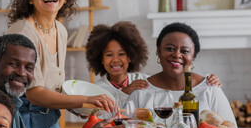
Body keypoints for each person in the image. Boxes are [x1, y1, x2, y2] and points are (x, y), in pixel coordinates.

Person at [5, 0, 113, 128]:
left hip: (49, 119)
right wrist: (84, 99)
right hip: (21, 122)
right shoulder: (22, 32)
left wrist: (80, 107)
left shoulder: (60, 30)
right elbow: (34, 93)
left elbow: (53, 85)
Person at [86, 21, 222, 109]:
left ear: (131, 57)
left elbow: (163, 82)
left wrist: (208, 80)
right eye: (109, 55)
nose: (115, 60)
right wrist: (124, 93)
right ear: (100, 59)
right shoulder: (96, 89)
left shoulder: (143, 82)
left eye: (121, 54)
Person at [128, 22, 237, 128]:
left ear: (193, 55)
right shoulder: (140, 91)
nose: (177, 54)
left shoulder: (210, 89)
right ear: (159, 51)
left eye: (184, 51)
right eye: (170, 49)